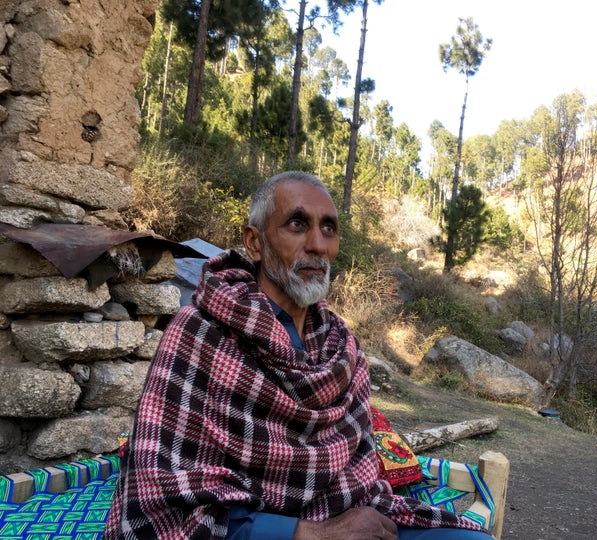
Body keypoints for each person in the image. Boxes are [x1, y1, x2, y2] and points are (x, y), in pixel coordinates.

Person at [103, 171, 494, 540]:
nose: (318, 245)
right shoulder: (200, 333)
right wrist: (312, 534)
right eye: (297, 224)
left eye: (329, 228)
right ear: (255, 242)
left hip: (347, 515)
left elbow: (358, 468)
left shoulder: (342, 346)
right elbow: (161, 497)